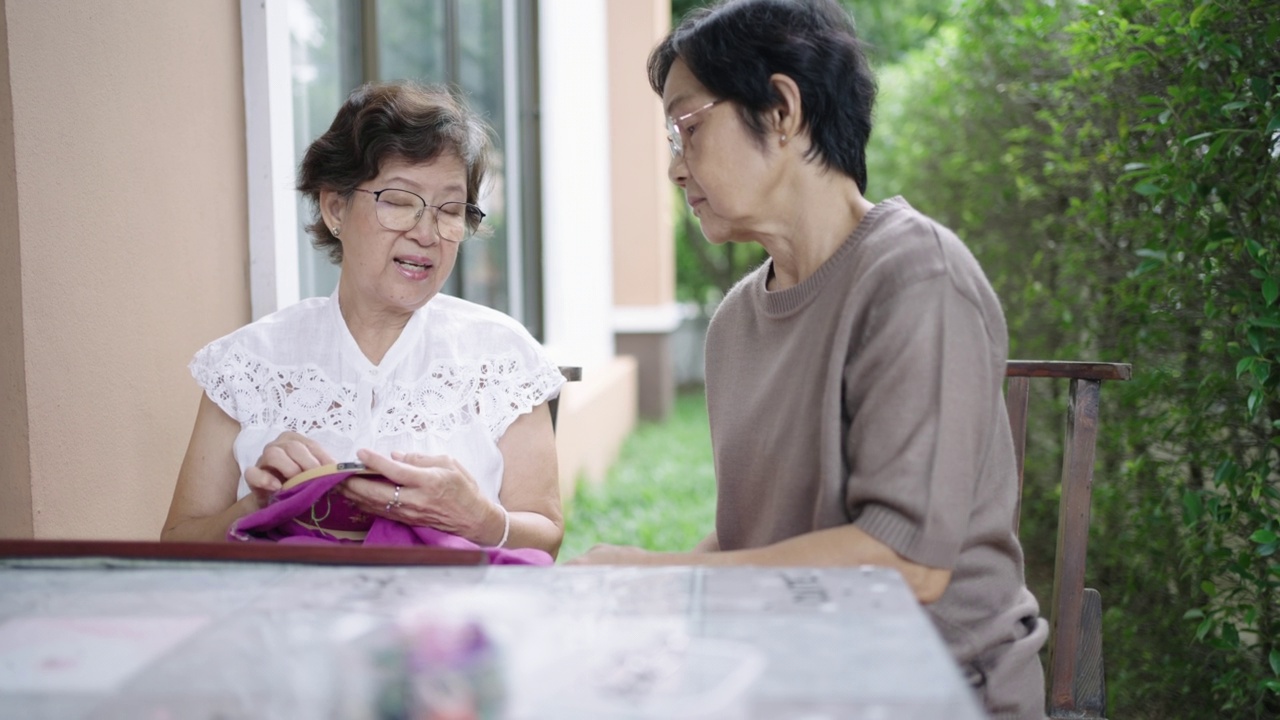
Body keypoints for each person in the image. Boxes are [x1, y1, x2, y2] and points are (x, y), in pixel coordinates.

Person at [570, 1, 1048, 717]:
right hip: (789, 676)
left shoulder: (918, 275)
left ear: (783, 108)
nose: (675, 166)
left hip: (935, 688)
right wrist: (624, 592)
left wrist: (664, 580)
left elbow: (905, 564)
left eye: (687, 127)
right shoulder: (735, 321)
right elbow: (752, 543)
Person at [162, 81, 565, 558]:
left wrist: (482, 517)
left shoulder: (500, 353)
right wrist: (260, 503)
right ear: (335, 207)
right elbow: (176, 544)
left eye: (450, 210)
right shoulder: (249, 362)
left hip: (444, 624)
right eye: (399, 202)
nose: (427, 233)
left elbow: (546, 533)